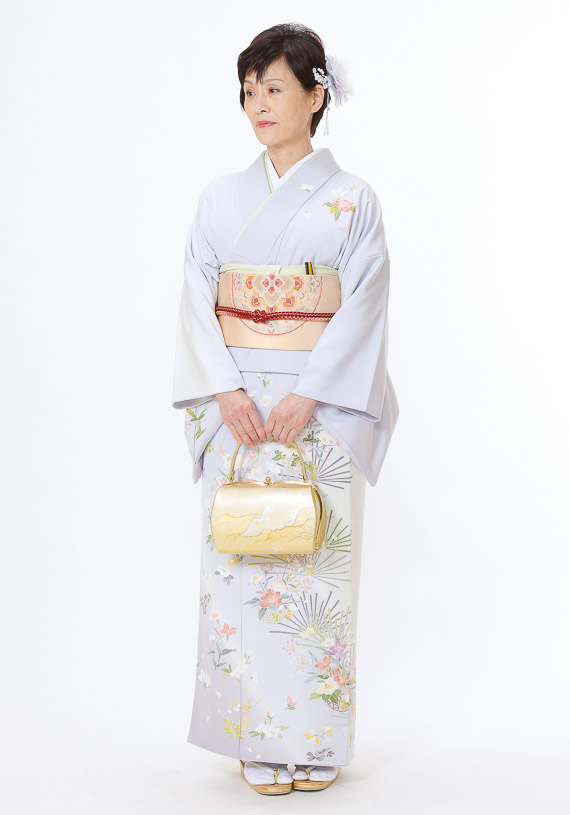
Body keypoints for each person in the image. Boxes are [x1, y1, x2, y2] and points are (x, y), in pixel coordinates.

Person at [171, 23, 399, 795]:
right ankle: (254, 736)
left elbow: (364, 303)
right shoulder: (218, 199)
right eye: (249, 91)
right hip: (238, 408)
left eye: (273, 87)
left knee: (313, 572)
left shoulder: (353, 201)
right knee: (242, 564)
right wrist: (226, 391)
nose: (259, 104)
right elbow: (196, 300)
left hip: (320, 407)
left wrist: (311, 392)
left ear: (315, 96)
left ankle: (314, 737)